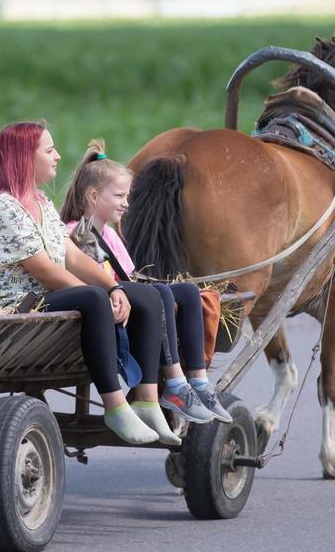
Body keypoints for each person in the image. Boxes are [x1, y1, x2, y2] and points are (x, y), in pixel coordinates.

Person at [0, 121, 176, 446]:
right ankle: (114, 405)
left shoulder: (42, 204)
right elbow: (45, 270)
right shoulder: (1, 208)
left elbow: (75, 258)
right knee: (92, 298)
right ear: (25, 157)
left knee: (145, 295)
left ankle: (147, 400)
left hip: (40, 298)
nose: (58, 156)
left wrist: (114, 288)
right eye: (49, 150)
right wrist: (99, 295)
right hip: (10, 305)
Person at [59, 140, 233, 424]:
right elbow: (92, 278)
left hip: (124, 291)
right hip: (108, 299)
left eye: (127, 196)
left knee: (189, 292)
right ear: (92, 196)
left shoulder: (111, 236)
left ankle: (199, 383)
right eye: (119, 196)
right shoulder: (75, 234)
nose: (126, 203)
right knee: (161, 292)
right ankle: (175, 384)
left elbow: (131, 275)